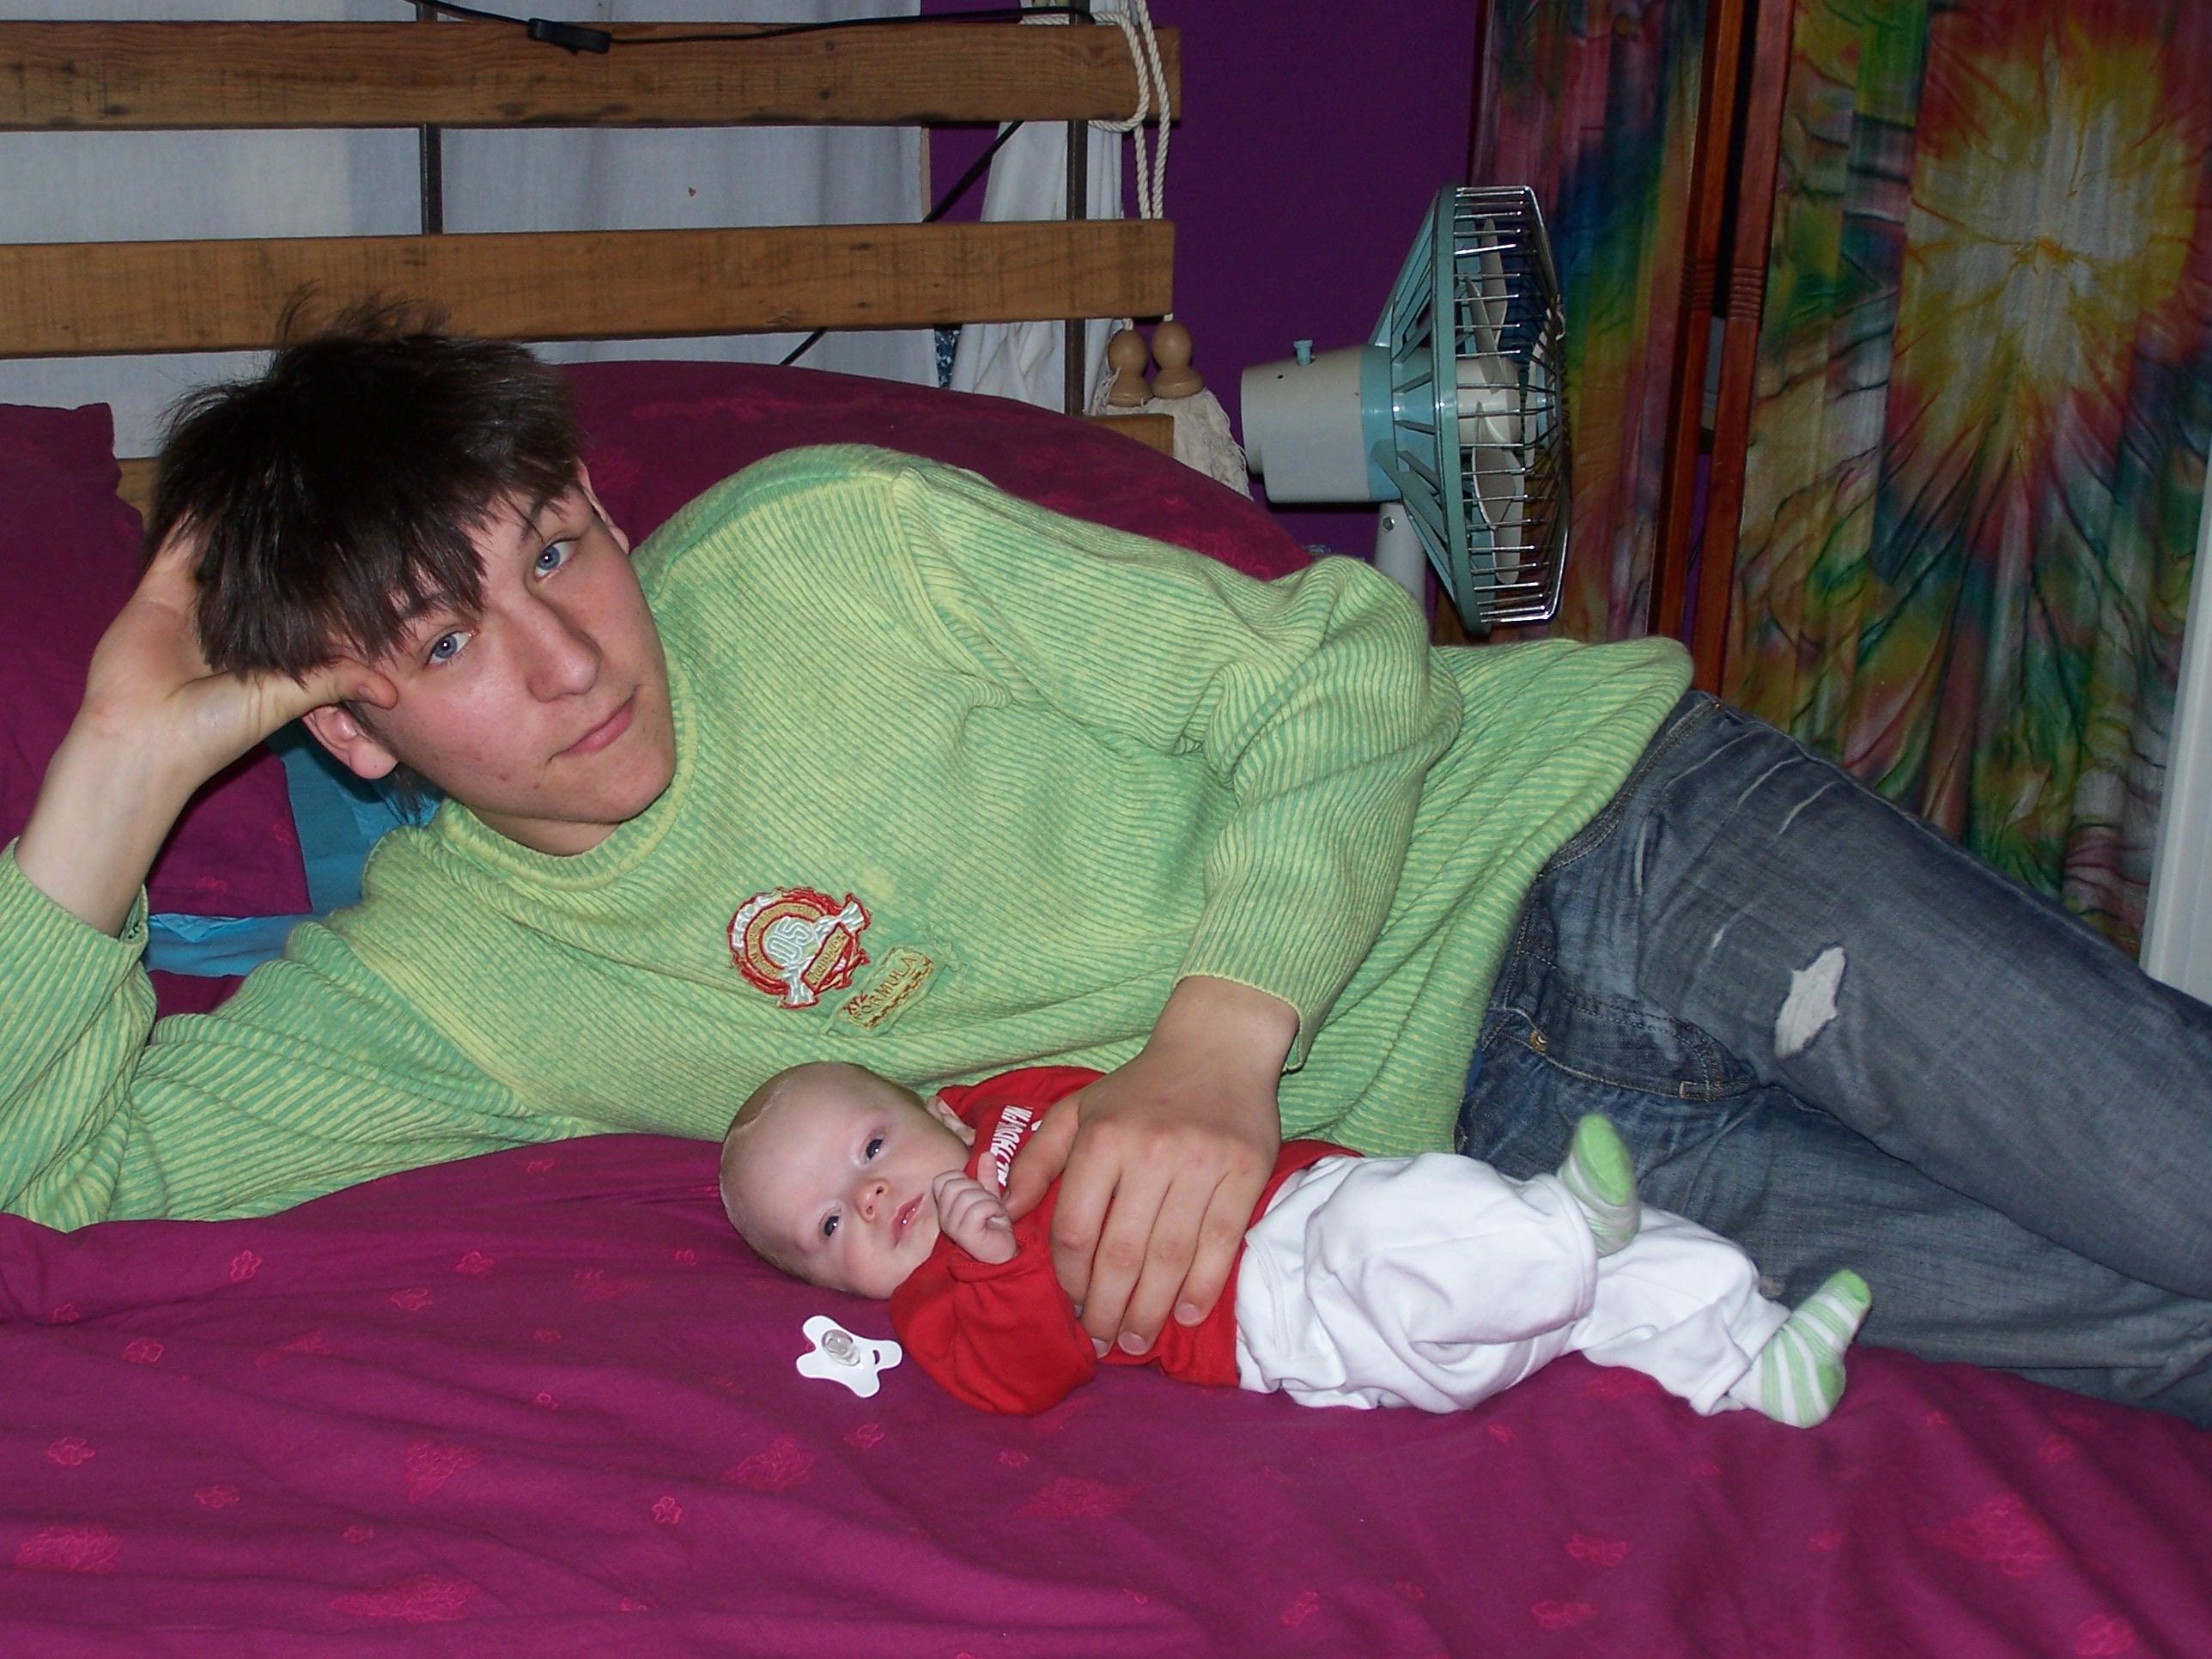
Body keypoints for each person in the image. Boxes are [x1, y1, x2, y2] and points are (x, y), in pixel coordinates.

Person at [4, 309, 2210, 1423]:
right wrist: (115, 758)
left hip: (1606, 844)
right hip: (1532, 1157)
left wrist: (1218, 1041)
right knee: (2167, 1336)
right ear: (345, 728)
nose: (573, 655)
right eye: (443, 644)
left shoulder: (836, 551)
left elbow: (1337, 663)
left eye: (558, 549)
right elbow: (64, 1184)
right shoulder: (457, 987)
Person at [719, 1059, 1875, 1424]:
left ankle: (1748, 1350)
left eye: (871, 1148)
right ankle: (1562, 1230)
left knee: (1599, 1273)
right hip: (1268, 1315)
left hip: (1297, 1188)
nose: (874, 1197)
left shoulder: (1015, 1105)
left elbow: (1140, 1107)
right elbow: (1029, 1377)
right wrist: (991, 1259)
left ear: (939, 1106)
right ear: (831, 1283)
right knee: (1413, 1252)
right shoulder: (935, 1308)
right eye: (831, 1224)